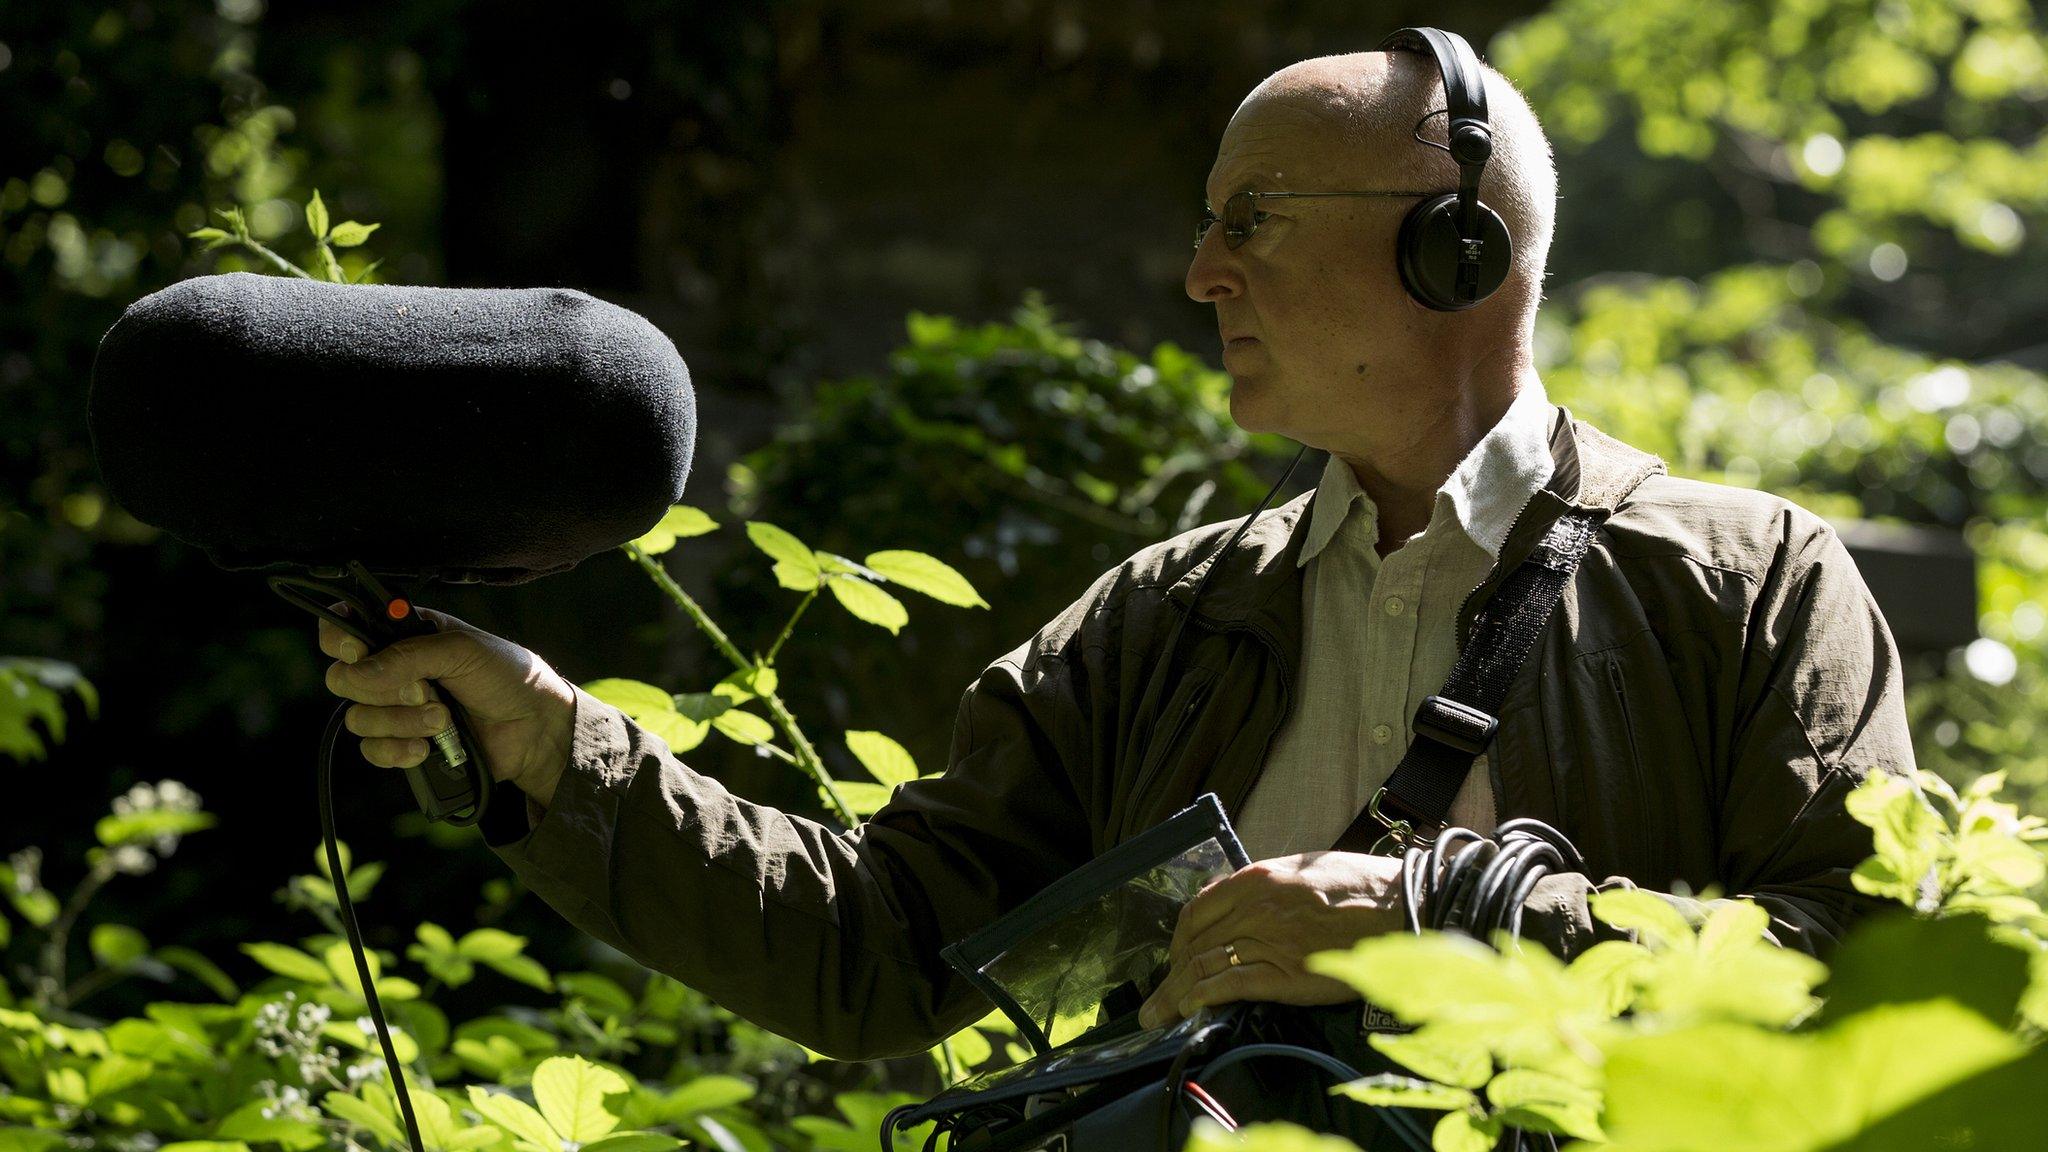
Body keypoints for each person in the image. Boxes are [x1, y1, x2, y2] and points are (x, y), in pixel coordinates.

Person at [317, 46, 1913, 1060]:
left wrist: (1447, 916)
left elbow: (1861, 975)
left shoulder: (1753, 584)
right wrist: (564, 747)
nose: (1201, 272)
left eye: (1257, 218)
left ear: (1458, 246)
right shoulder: (1168, 615)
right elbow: (885, 952)